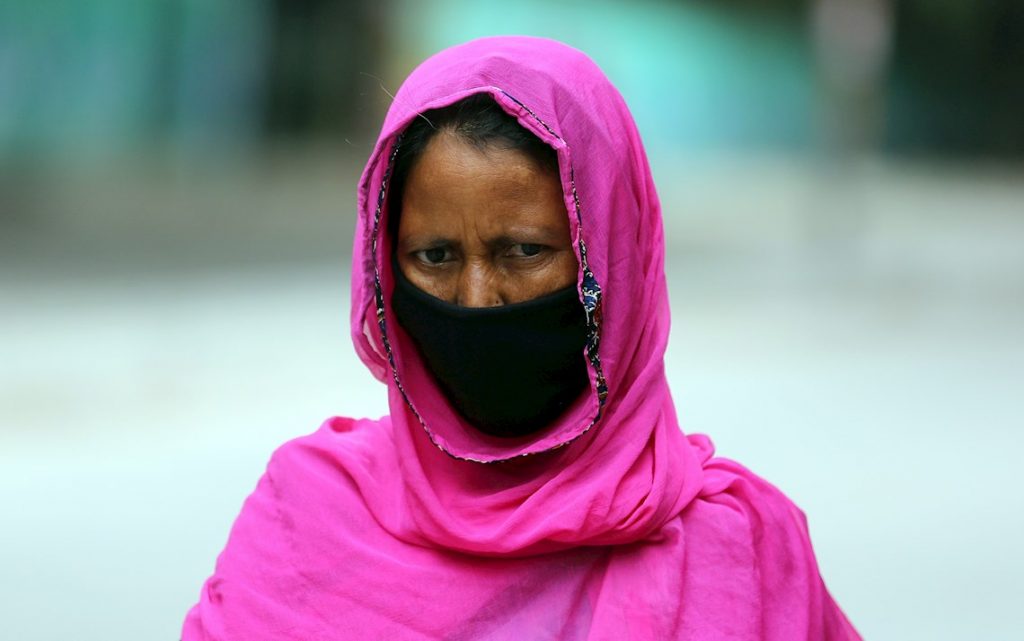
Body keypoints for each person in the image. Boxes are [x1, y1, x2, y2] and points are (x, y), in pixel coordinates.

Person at [182, 36, 860, 640]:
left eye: (523, 251)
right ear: (385, 271)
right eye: (436, 257)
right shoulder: (309, 520)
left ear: (609, 259)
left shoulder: (742, 550)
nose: (478, 300)